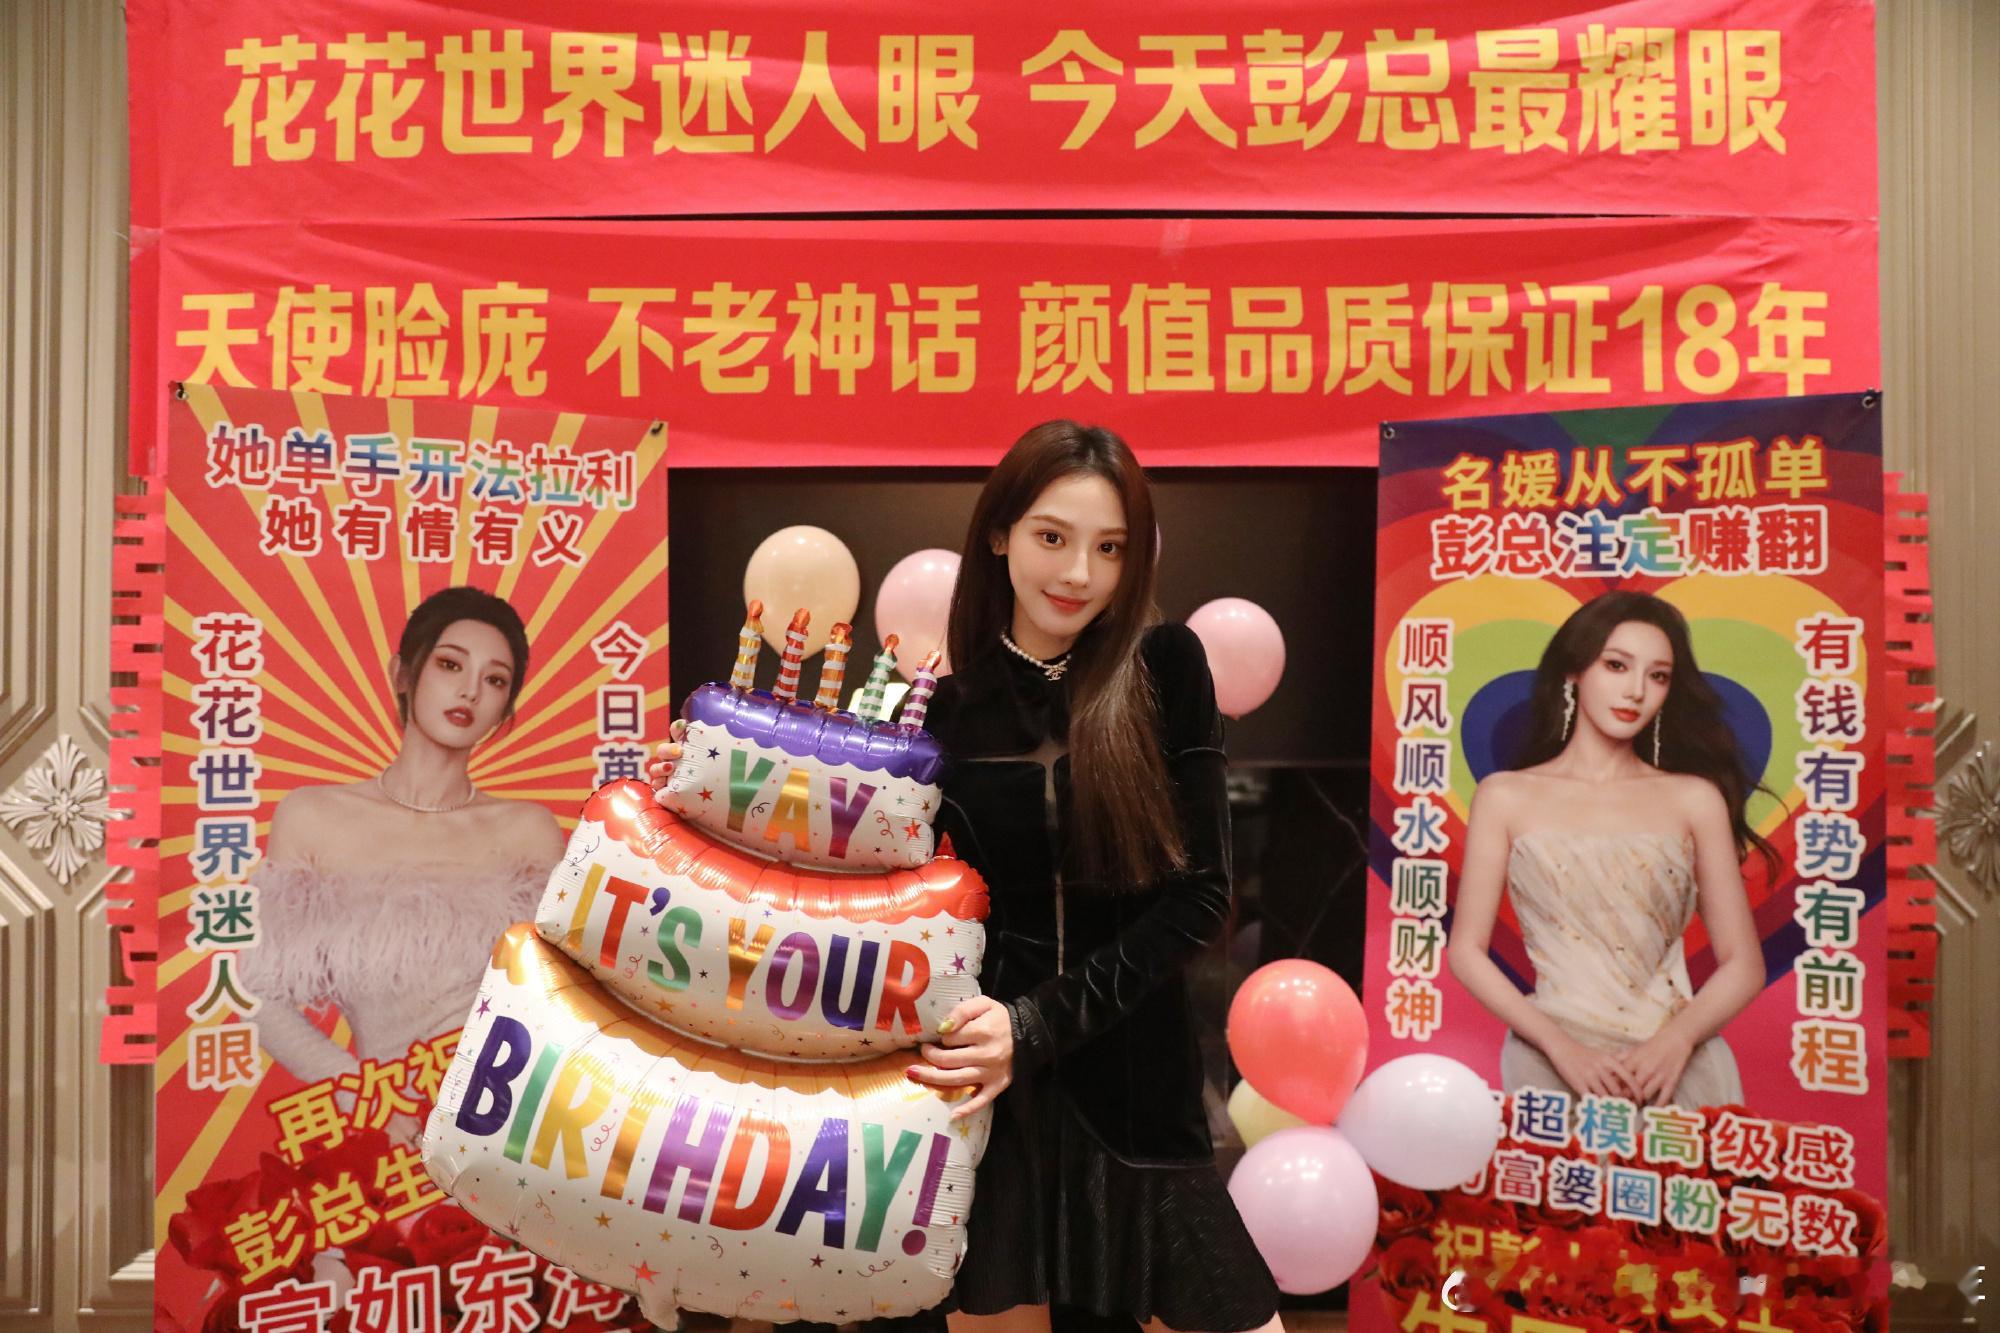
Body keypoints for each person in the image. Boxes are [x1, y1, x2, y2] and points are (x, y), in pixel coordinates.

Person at [651, 422, 1281, 1333]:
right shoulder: (946, 712)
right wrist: (709, 778)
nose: (1079, 572)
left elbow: (1200, 896)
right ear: (999, 534)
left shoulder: (1165, 667)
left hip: (1133, 1089)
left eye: (1110, 548)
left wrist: (1034, 1025)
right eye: (1053, 537)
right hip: (990, 1095)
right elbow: (854, 873)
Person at [243, 585, 565, 1142]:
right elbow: (258, 995)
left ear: (506, 706)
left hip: (514, 1129)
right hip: (390, 1135)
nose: (469, 691)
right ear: (402, 674)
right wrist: (368, 1094)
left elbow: (564, 997)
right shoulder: (313, 817)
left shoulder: (528, 830)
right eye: (450, 665)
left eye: (495, 680)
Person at [1446, 590, 1771, 1109]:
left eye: (1658, 676)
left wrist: (1677, 1041)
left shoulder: (1694, 799)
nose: (1636, 691)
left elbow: (1744, 964)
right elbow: (1466, 951)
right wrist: (1558, 1046)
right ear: (1573, 672)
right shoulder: (1505, 796)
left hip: (1676, 1066)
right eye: (1616, 665)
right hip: (1552, 1058)